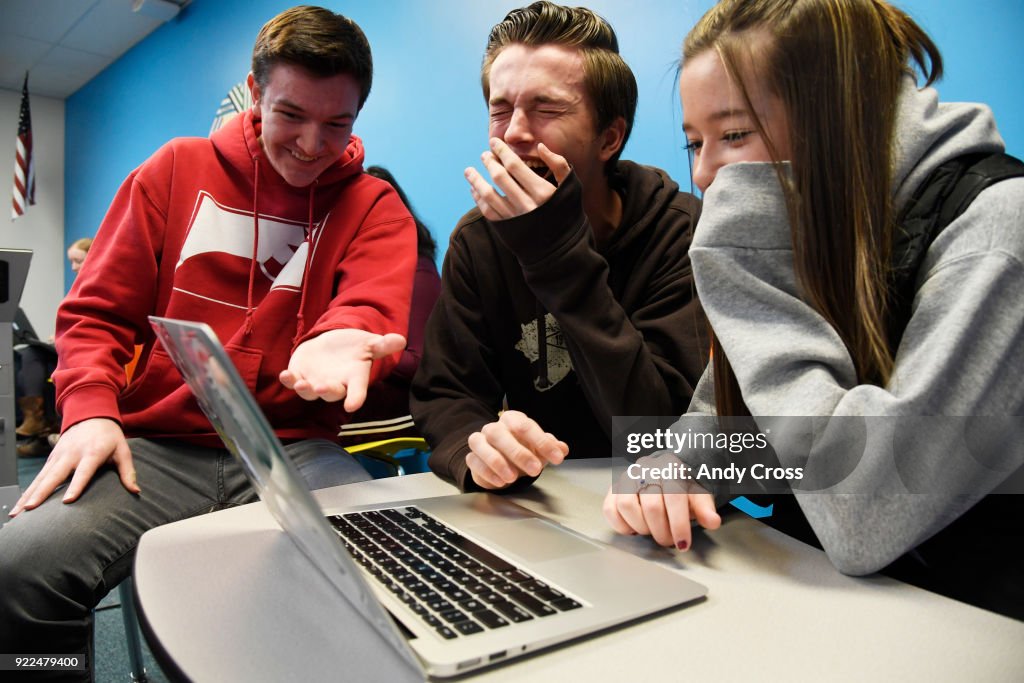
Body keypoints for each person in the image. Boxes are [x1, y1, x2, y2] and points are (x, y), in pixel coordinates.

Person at [0, 6, 415, 676]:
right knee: (17, 567)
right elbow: (96, 312)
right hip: (157, 448)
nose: (313, 143)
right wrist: (90, 410)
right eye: (291, 115)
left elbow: (366, 301)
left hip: (293, 451)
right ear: (254, 94)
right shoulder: (174, 169)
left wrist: (344, 337)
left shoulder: (372, 206)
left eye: (337, 124)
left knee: (377, 574)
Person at [603, 0, 1024, 618]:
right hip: (831, 607)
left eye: (735, 135)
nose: (706, 176)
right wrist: (672, 462)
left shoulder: (998, 229)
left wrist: (741, 262)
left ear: (844, 119)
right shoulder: (820, 220)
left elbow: (863, 512)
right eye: (695, 142)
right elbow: (735, 431)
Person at [410, 1, 708, 492]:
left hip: (661, 499)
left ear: (609, 137)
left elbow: (659, 432)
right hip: (541, 501)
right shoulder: (479, 239)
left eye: (546, 110)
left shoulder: (681, 232)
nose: (515, 133)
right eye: (500, 110)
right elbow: (447, 392)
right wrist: (476, 449)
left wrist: (557, 257)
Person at [339, 165, 441, 444]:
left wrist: (356, 347)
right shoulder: (340, 268)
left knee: (296, 427)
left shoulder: (419, 267)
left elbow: (419, 363)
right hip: (351, 393)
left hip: (400, 404)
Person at [14, 237, 95, 457]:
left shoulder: (98, 285)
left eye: (78, 261)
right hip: (68, 346)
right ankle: (39, 426)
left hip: (85, 350)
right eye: (72, 262)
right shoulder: (78, 287)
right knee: (27, 353)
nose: (74, 268)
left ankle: (37, 423)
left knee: (33, 355)